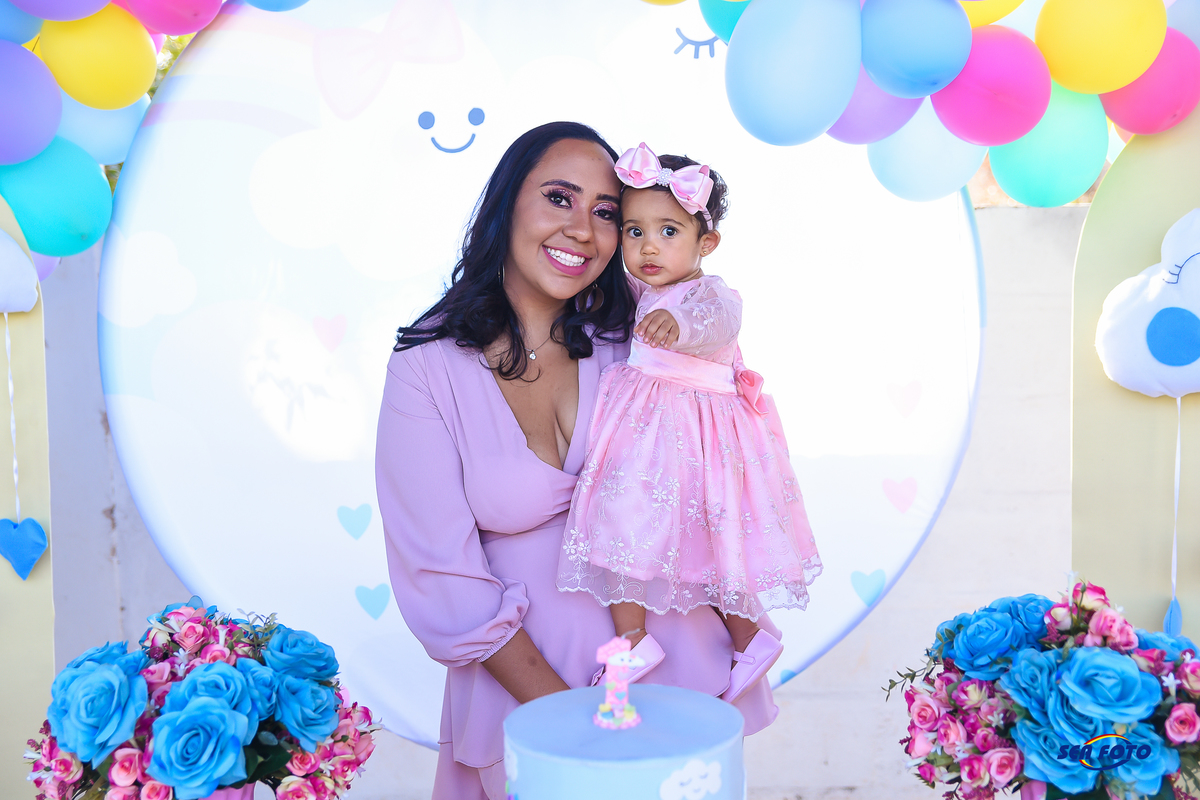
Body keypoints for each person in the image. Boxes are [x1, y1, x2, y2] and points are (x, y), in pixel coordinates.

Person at [376, 123, 779, 800]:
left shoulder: (644, 344)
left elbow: (715, 476)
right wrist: (568, 729)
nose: (583, 231)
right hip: (529, 706)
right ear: (506, 203)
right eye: (559, 198)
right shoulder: (428, 369)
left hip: (679, 692)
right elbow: (440, 577)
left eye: (606, 213)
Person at [557, 142, 823, 703]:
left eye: (669, 231)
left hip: (693, 443)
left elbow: (717, 321)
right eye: (634, 232)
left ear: (707, 243)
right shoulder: (643, 288)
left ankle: (749, 638)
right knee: (620, 530)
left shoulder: (709, 295)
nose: (649, 246)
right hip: (648, 438)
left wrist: (678, 326)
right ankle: (635, 639)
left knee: (710, 544)